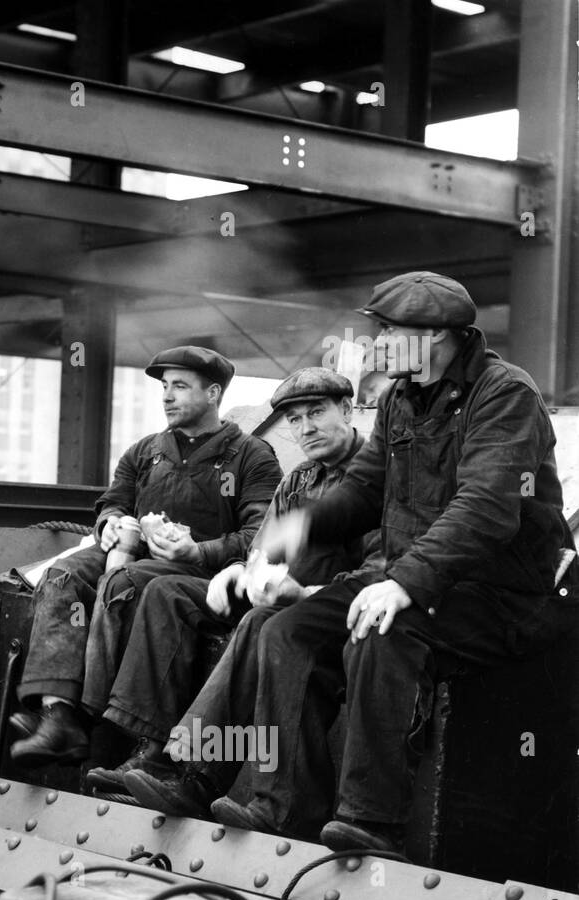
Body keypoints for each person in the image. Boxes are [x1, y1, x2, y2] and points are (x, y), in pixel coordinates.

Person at [211, 271, 578, 854]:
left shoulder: (505, 394)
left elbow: (485, 508)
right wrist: (290, 532)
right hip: (426, 580)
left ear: (435, 335)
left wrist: (405, 581)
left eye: (389, 332)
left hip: (504, 595)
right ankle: (285, 807)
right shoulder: (399, 400)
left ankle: (370, 821)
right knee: (287, 631)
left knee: (383, 628)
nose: (377, 343)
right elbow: (361, 490)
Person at [101, 367, 373, 811]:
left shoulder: (374, 480)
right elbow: (262, 552)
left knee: (260, 624)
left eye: (317, 413)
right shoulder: (300, 479)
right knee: (168, 592)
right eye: (296, 420)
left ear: (347, 409)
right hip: (279, 597)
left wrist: (302, 595)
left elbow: (379, 572)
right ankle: (155, 755)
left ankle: (197, 778)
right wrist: (238, 573)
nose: (306, 429)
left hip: (336, 610)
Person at [9, 346, 283, 769]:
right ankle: (58, 712)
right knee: (64, 574)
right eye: (164, 387)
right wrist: (112, 523)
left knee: (126, 583)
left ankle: (96, 722)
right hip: (134, 556)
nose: (167, 396)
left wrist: (198, 549)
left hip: (202, 571)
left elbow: (260, 536)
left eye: (180, 386)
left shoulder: (251, 456)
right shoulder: (144, 452)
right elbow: (112, 502)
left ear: (213, 393)